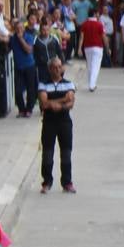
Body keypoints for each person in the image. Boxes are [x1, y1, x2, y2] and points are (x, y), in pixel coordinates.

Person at [37, 57, 76, 194]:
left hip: (64, 122)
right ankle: (46, 182)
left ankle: (67, 182)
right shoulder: (43, 84)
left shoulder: (69, 83)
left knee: (66, 152)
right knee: (47, 153)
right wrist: (63, 99)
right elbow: (44, 103)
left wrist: (55, 102)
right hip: (49, 122)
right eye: (54, 67)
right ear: (49, 69)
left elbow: (71, 102)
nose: (57, 70)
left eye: (59, 67)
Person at [79, 8, 106, 92]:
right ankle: (92, 84)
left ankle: (91, 83)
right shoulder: (99, 24)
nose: (98, 15)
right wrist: (108, 47)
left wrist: (79, 48)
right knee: (96, 66)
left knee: (90, 66)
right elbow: (103, 37)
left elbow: (81, 37)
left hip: (87, 47)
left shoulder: (84, 24)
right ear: (94, 14)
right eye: (97, 13)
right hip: (98, 47)